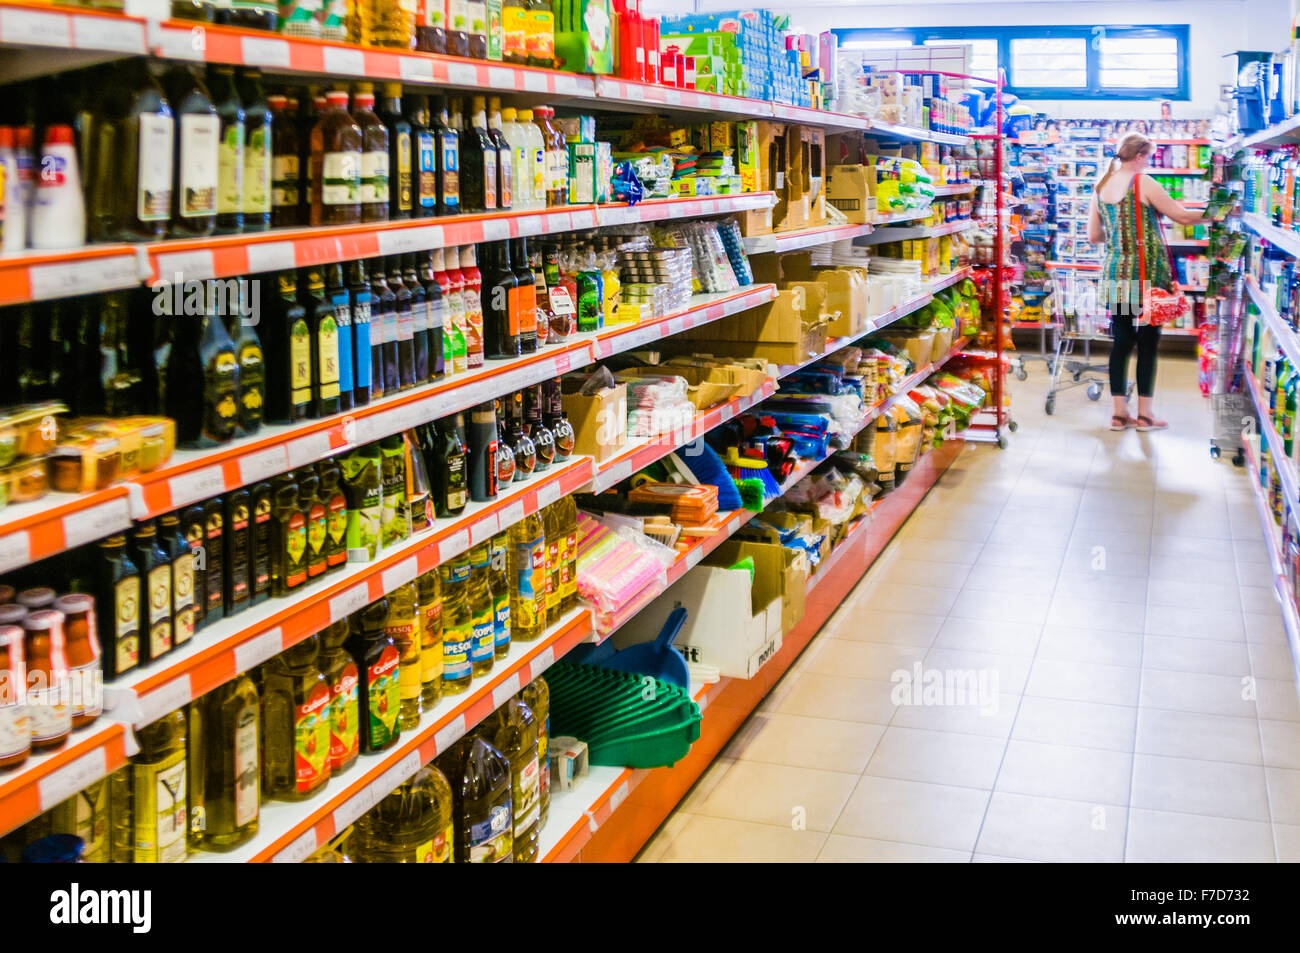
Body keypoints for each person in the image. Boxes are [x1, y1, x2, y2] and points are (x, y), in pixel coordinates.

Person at [1087, 131, 1205, 431]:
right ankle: (1145, 415)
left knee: (1122, 341)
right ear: (1139, 155)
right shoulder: (1143, 182)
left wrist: (1119, 236)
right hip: (1146, 274)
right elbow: (1184, 217)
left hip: (1115, 272)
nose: (1148, 162)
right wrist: (1220, 212)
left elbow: (1093, 236)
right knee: (1148, 343)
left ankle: (1118, 414)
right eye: (1149, 156)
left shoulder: (1100, 186)